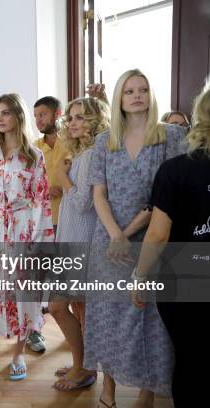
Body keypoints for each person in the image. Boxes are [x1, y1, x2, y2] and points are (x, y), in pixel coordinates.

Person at [84, 69, 185, 408]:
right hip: (108, 240)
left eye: (143, 89)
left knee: (150, 319)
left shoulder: (170, 136)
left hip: (152, 239)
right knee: (105, 316)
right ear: (120, 98)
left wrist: (126, 235)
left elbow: (165, 196)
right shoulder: (104, 140)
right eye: (129, 91)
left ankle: (147, 393)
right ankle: (108, 389)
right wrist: (115, 234)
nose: (137, 95)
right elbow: (99, 195)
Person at [130, 82, 210, 407]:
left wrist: (140, 276)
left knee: (191, 361)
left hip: (184, 273)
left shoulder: (175, 170)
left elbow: (158, 235)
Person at [0, 93, 53, 382]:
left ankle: (18, 354)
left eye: (6, 112)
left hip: (22, 229)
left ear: (18, 115)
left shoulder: (33, 156)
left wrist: (39, 244)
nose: (0, 118)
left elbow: (41, 201)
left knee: (23, 294)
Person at [49, 97, 110, 391]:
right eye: (70, 117)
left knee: (58, 306)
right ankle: (83, 364)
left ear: (95, 121)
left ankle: (83, 367)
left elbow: (84, 203)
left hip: (82, 242)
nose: (72, 122)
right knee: (79, 307)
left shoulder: (90, 156)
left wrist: (62, 176)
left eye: (80, 117)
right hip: (72, 238)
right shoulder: (83, 153)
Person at [31, 95, 67, 353]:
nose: (38, 120)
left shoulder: (73, 143)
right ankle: (34, 331)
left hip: (70, 224)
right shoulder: (33, 148)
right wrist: (43, 190)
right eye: (35, 116)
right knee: (36, 279)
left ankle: (76, 334)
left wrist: (63, 188)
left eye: (42, 114)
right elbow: (26, 186)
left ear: (58, 113)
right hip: (41, 224)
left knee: (69, 284)